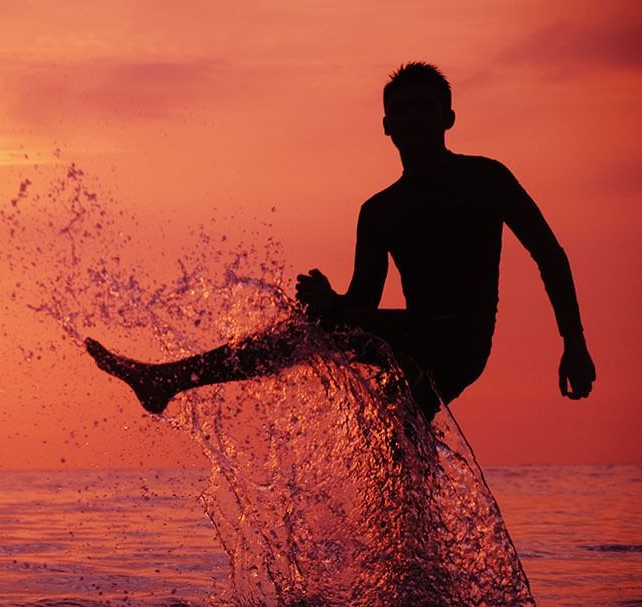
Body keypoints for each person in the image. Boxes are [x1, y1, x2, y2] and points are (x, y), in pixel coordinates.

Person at [84, 62, 596, 419]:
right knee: (386, 435)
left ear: (448, 117)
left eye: (425, 107)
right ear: (386, 126)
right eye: (403, 110)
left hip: (460, 342)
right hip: (408, 344)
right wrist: (334, 302)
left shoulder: (486, 178)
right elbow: (364, 304)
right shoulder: (380, 211)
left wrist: (573, 343)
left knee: (320, 337)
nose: (414, 117)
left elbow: (550, 255)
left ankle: (169, 380)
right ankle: (405, 562)